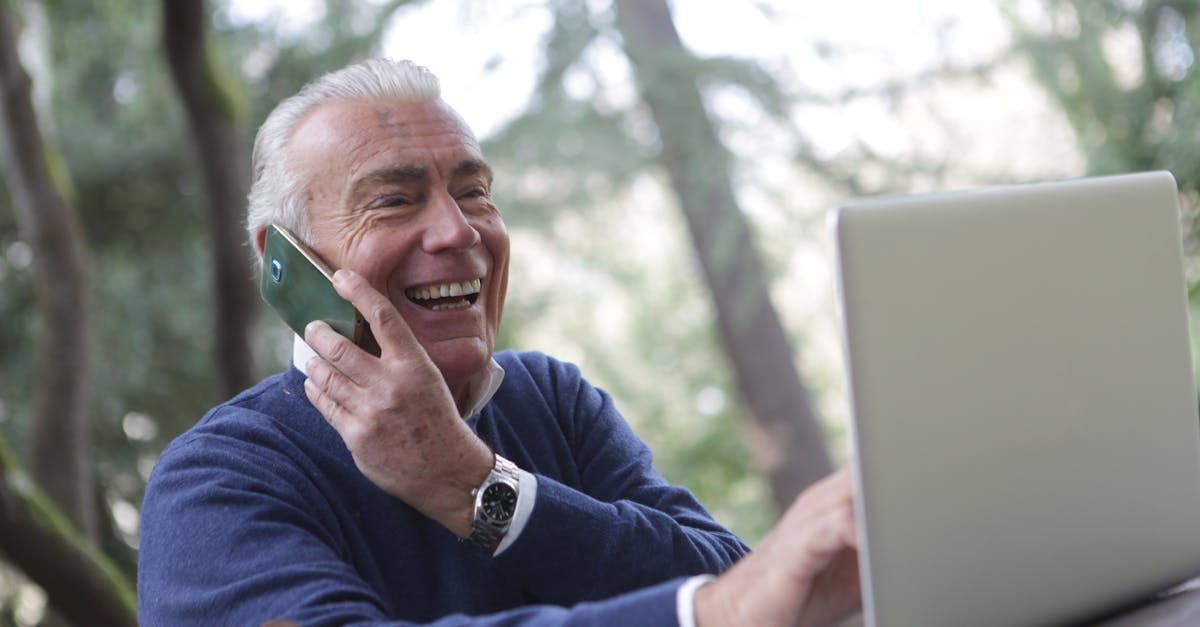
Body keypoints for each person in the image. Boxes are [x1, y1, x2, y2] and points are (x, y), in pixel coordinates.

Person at [137, 58, 860, 626]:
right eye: (394, 198)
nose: (458, 231)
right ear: (283, 259)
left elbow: (751, 588)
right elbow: (724, 606)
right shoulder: (217, 480)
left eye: (474, 191)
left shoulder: (551, 399)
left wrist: (480, 488)